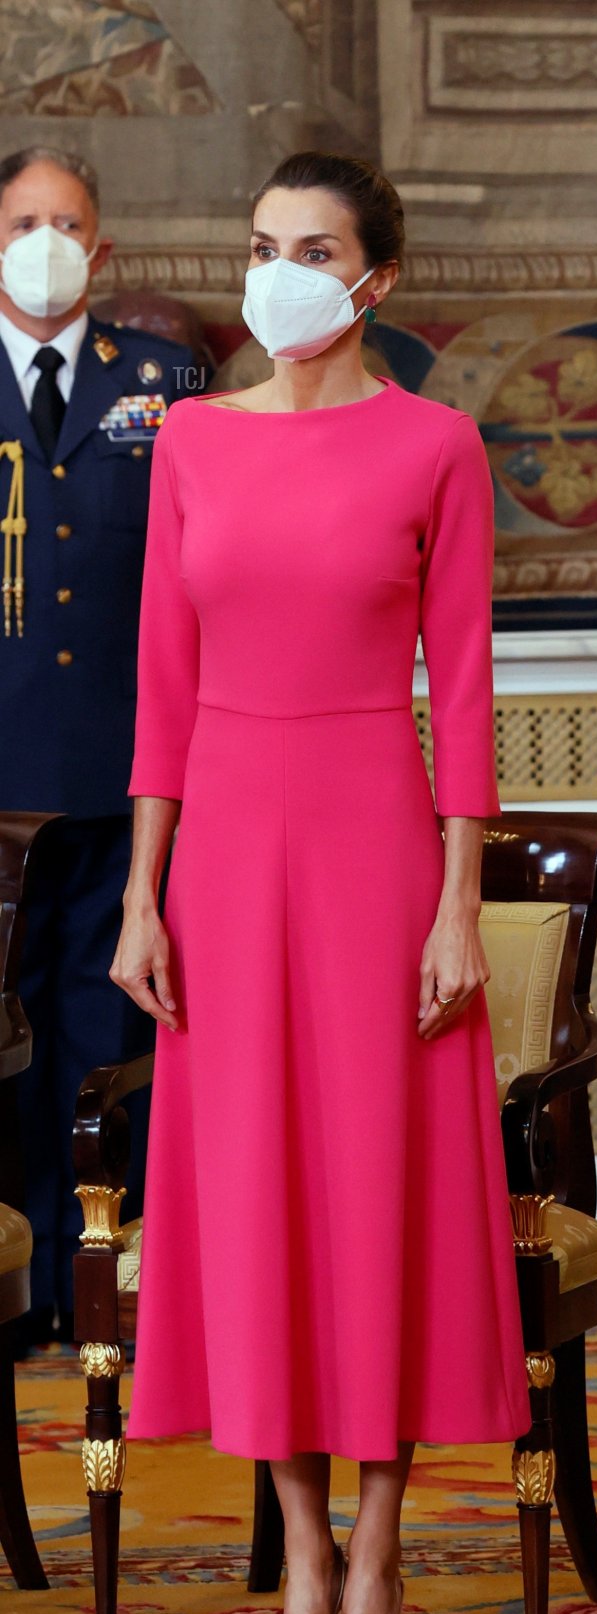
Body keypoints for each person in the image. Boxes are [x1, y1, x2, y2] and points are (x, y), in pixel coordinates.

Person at [109, 152, 530, 1614]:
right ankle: (298, 1569)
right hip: (222, 853)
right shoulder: (194, 445)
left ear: (377, 282)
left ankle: (379, 1559)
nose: (281, 272)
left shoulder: (435, 446)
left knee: (373, 1199)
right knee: (258, 1205)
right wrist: (144, 895)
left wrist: (459, 905)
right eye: (263, 245)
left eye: (316, 249)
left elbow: (468, 690)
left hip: (373, 851)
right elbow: (159, 692)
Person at [0, 146, 202, 1349]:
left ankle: (100, 1281)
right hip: (1, 782)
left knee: (106, 1023)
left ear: (102, 247)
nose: (44, 240)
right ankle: (15, 1280)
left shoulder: (167, 384)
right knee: (7, 1037)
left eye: (66, 221)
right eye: (23, 219)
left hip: (127, 774)